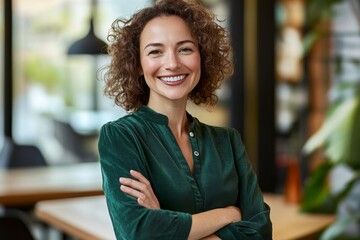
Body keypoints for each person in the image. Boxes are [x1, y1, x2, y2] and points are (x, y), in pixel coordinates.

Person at [98, 0, 272, 239]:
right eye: (155, 51)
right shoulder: (120, 137)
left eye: (185, 49)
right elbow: (138, 232)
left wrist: (166, 225)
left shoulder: (228, 142)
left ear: (203, 56)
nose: (172, 64)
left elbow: (261, 233)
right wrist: (228, 214)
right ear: (137, 64)